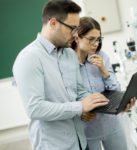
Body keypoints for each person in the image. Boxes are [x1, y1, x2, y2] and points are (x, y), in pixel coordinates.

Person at [12, 1, 109, 150]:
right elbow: (35, 108)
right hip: (54, 146)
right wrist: (80, 107)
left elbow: (79, 91)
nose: (76, 34)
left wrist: (102, 104)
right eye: (72, 28)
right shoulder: (29, 57)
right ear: (52, 23)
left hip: (80, 142)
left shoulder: (69, 54)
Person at [72, 17, 136, 150]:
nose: (95, 44)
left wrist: (103, 70)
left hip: (111, 125)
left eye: (98, 39)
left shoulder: (102, 57)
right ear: (77, 37)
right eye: (91, 39)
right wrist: (79, 112)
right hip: (86, 131)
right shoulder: (67, 64)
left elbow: (116, 89)